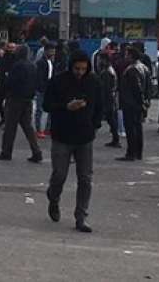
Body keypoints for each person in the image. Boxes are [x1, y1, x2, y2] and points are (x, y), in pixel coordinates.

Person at [43, 50, 103, 234]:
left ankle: (81, 216)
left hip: (85, 137)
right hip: (62, 135)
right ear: (71, 66)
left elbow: (100, 105)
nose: (80, 72)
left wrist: (94, 125)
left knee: (85, 178)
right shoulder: (59, 81)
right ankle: (53, 198)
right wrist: (65, 107)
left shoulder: (93, 82)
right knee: (59, 175)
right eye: (77, 68)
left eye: (83, 69)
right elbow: (47, 105)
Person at [0, 48, 42, 163]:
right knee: (28, 127)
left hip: (16, 99)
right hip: (28, 99)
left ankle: (6, 151)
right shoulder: (33, 66)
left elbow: (9, 83)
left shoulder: (17, 66)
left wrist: (1, 98)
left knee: (10, 127)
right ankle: (36, 151)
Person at [117, 45, 150, 161]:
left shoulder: (132, 69)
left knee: (131, 129)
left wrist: (140, 102)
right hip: (138, 103)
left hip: (131, 103)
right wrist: (145, 103)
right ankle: (138, 152)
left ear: (131, 55)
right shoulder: (144, 67)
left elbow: (137, 88)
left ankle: (131, 153)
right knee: (138, 128)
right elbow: (147, 88)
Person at [97, 52, 121, 148]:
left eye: (100, 59)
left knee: (111, 119)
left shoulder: (106, 72)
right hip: (112, 97)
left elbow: (105, 88)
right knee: (112, 119)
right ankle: (115, 138)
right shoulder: (110, 70)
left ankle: (116, 139)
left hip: (109, 98)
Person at [34, 45, 54, 139]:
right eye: (50, 51)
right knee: (40, 109)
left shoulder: (50, 61)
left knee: (49, 109)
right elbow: (40, 76)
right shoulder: (41, 62)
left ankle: (48, 128)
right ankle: (39, 129)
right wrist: (41, 87)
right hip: (42, 88)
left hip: (49, 88)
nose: (52, 53)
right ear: (45, 51)